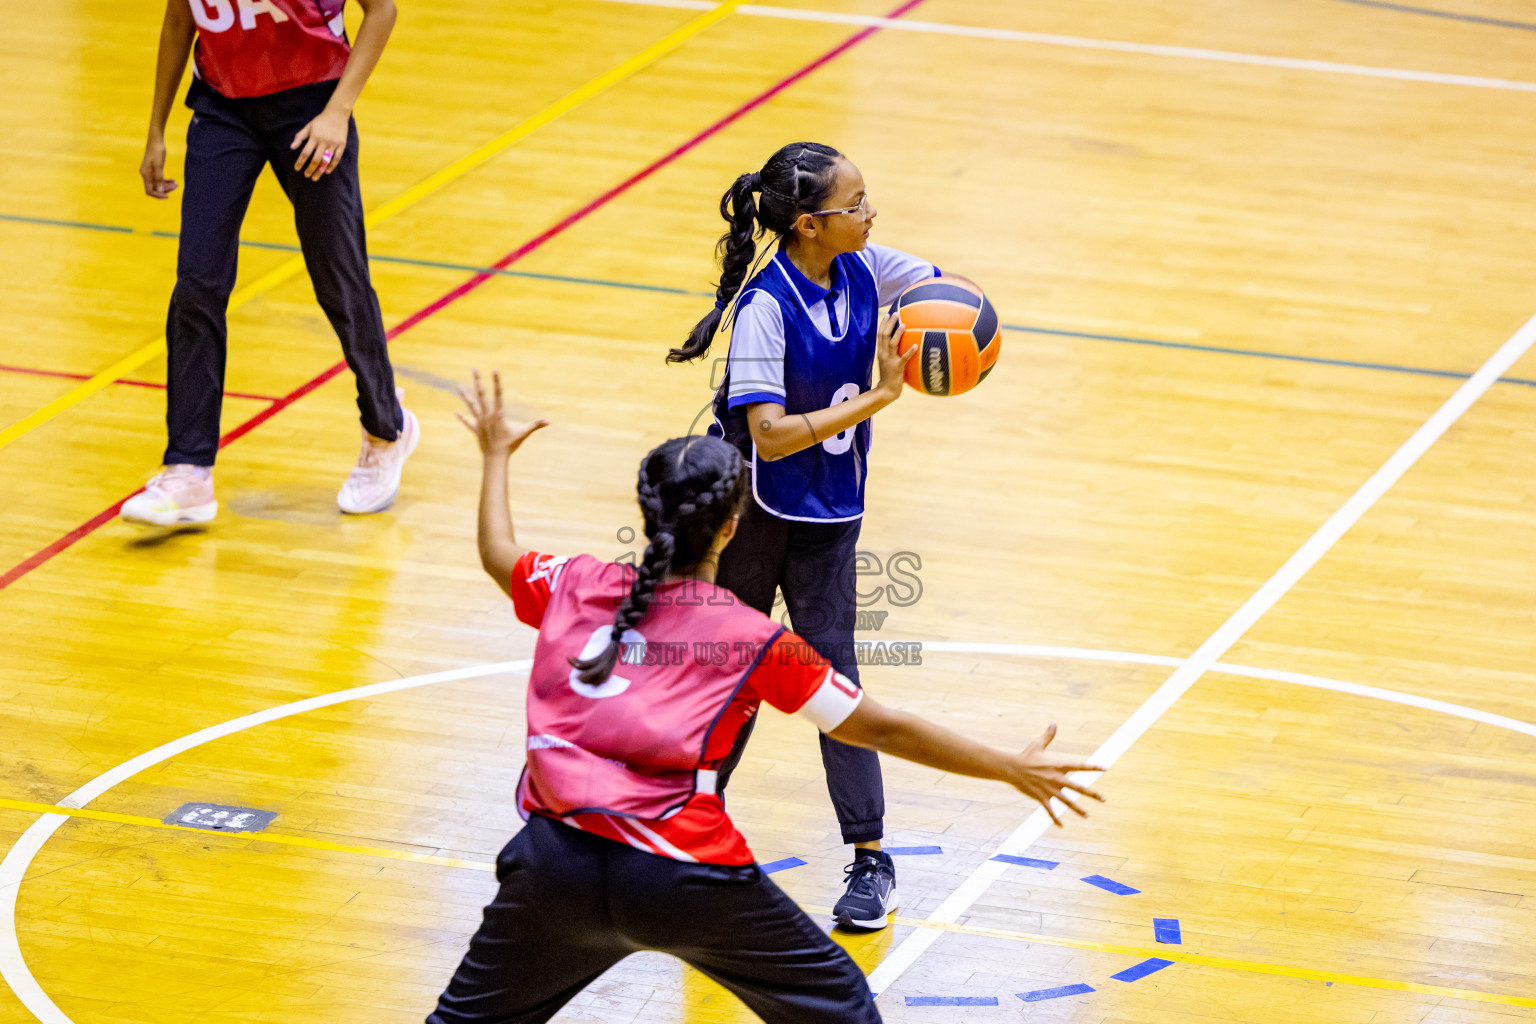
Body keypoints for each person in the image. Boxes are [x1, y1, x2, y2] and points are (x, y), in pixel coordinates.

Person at [426, 370, 1104, 1024]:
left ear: (645, 511)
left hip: (553, 865)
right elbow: (882, 729)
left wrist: (495, 456)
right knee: (840, 1005)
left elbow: (497, 552)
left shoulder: (572, 583)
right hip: (681, 873)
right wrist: (1008, 767)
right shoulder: (749, 638)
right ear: (731, 527)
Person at [669, 141, 940, 928]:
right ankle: (692, 834)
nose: (870, 214)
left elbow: (940, 285)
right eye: (855, 206)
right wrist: (880, 397)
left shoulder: (863, 264)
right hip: (753, 518)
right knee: (730, 676)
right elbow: (775, 435)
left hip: (831, 518)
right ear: (810, 225)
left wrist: (954, 327)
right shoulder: (764, 307)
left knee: (838, 687)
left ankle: (871, 861)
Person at [123, 0, 417, 527]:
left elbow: (382, 10)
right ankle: (189, 470)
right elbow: (177, 19)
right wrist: (156, 131)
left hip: (311, 108)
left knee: (339, 278)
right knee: (197, 283)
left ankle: (385, 429)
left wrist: (338, 111)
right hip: (222, 108)